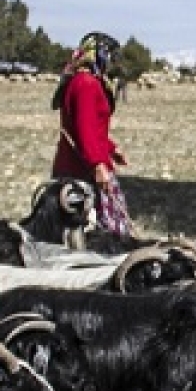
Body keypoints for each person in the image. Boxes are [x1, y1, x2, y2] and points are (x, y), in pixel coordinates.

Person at [51, 31, 132, 237]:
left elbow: (90, 128)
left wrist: (111, 149)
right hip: (82, 170)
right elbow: (84, 129)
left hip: (78, 164)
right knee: (104, 232)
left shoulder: (82, 81)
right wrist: (97, 164)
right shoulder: (86, 84)